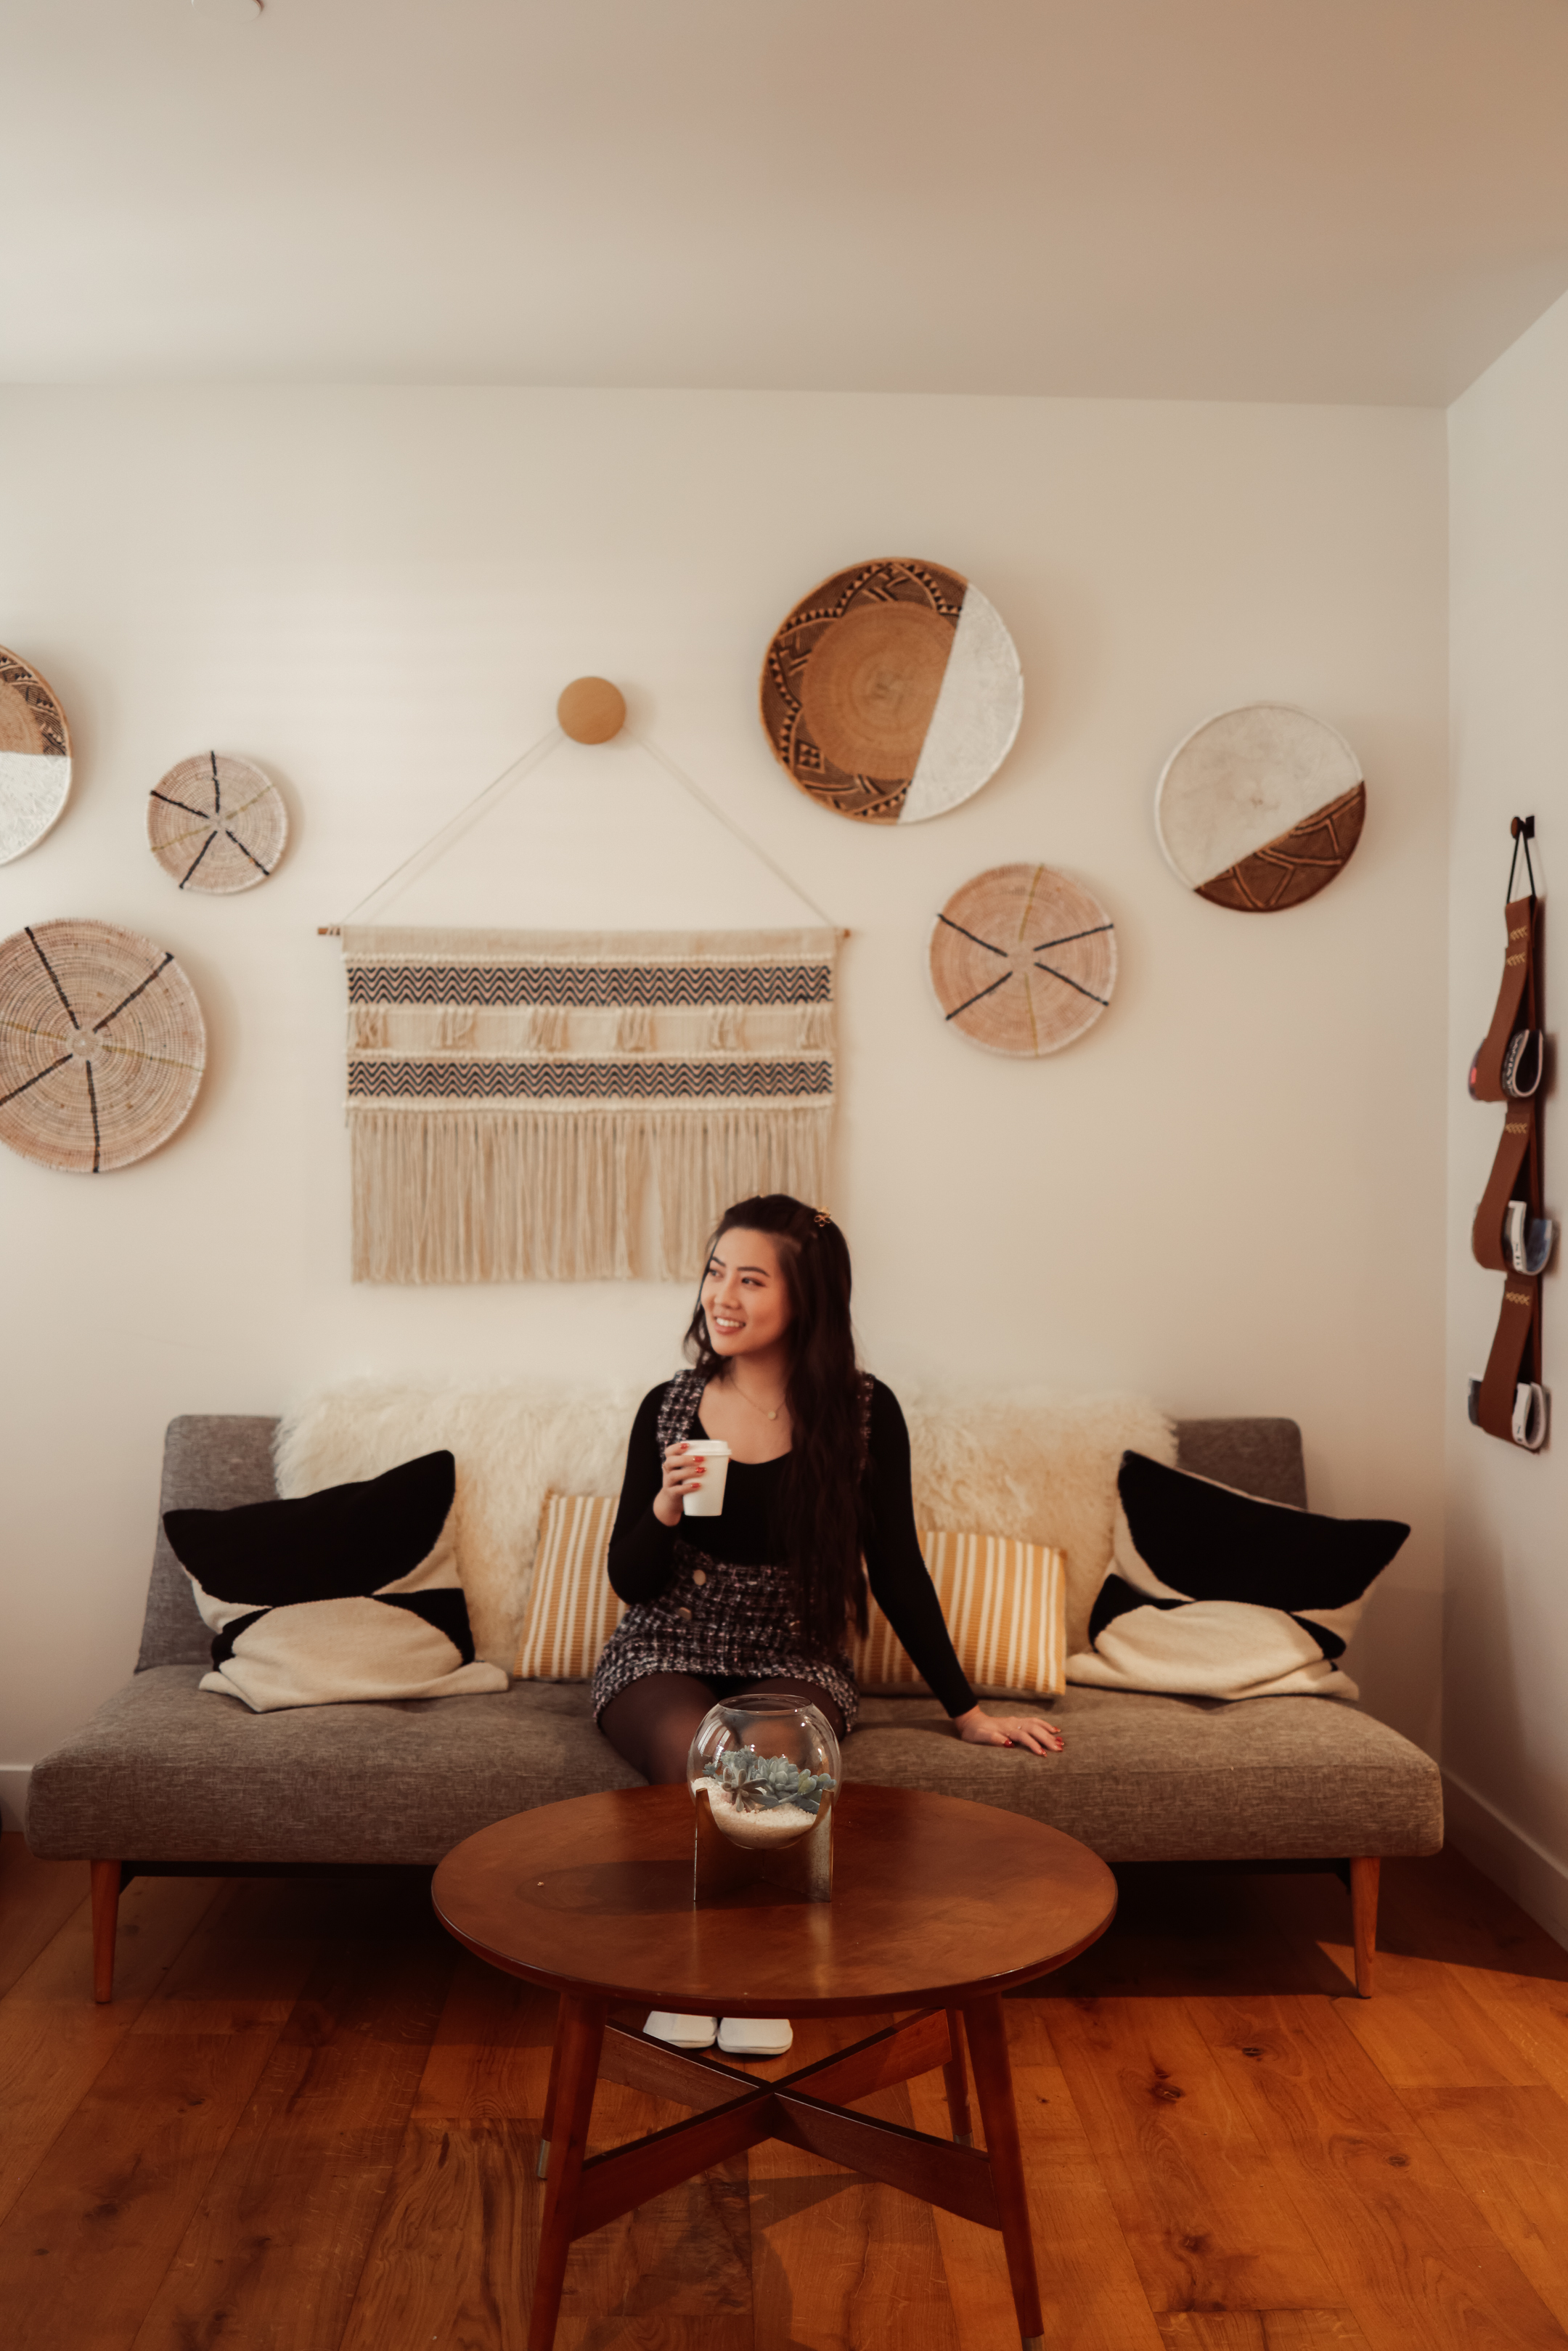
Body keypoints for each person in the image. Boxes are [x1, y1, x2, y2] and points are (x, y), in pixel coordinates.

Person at [593, 1192, 1063, 2057]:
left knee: (775, 1758)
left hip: (795, 1649)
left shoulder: (864, 1414)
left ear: (805, 1297)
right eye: (715, 1271)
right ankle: (692, 1972)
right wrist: (663, 1505)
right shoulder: (669, 1405)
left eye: (750, 1279)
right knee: (698, 1749)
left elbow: (898, 1569)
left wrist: (967, 1710)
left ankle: (753, 1972)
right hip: (667, 1645)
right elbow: (630, 1581)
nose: (721, 1295)